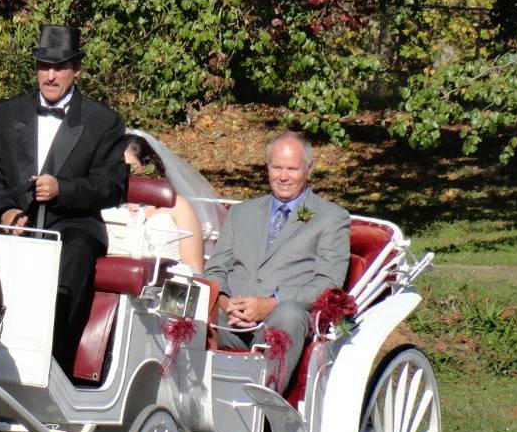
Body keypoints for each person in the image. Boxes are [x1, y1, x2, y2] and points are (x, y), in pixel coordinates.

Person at [0, 24, 127, 368]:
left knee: (74, 256)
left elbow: (114, 187)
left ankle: (51, 360)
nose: (51, 76)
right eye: (44, 66)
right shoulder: (6, 112)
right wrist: (7, 212)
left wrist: (63, 189)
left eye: (60, 67)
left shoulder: (104, 122)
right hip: (13, 222)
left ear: (76, 70)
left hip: (72, 225)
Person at [203, 131, 351, 390]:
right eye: (277, 167)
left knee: (290, 314)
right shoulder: (241, 213)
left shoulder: (331, 218)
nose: (283, 177)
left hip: (283, 318)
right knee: (186, 306)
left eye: (292, 169)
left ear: (308, 169)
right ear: (267, 167)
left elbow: (329, 281)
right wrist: (226, 302)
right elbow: (215, 268)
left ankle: (263, 408)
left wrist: (271, 304)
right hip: (231, 319)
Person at [102, 133, 205, 272]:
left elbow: (194, 266)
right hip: (110, 279)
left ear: (146, 166)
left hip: (163, 283)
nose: (119, 173)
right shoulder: (104, 204)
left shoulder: (177, 206)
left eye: (126, 167)